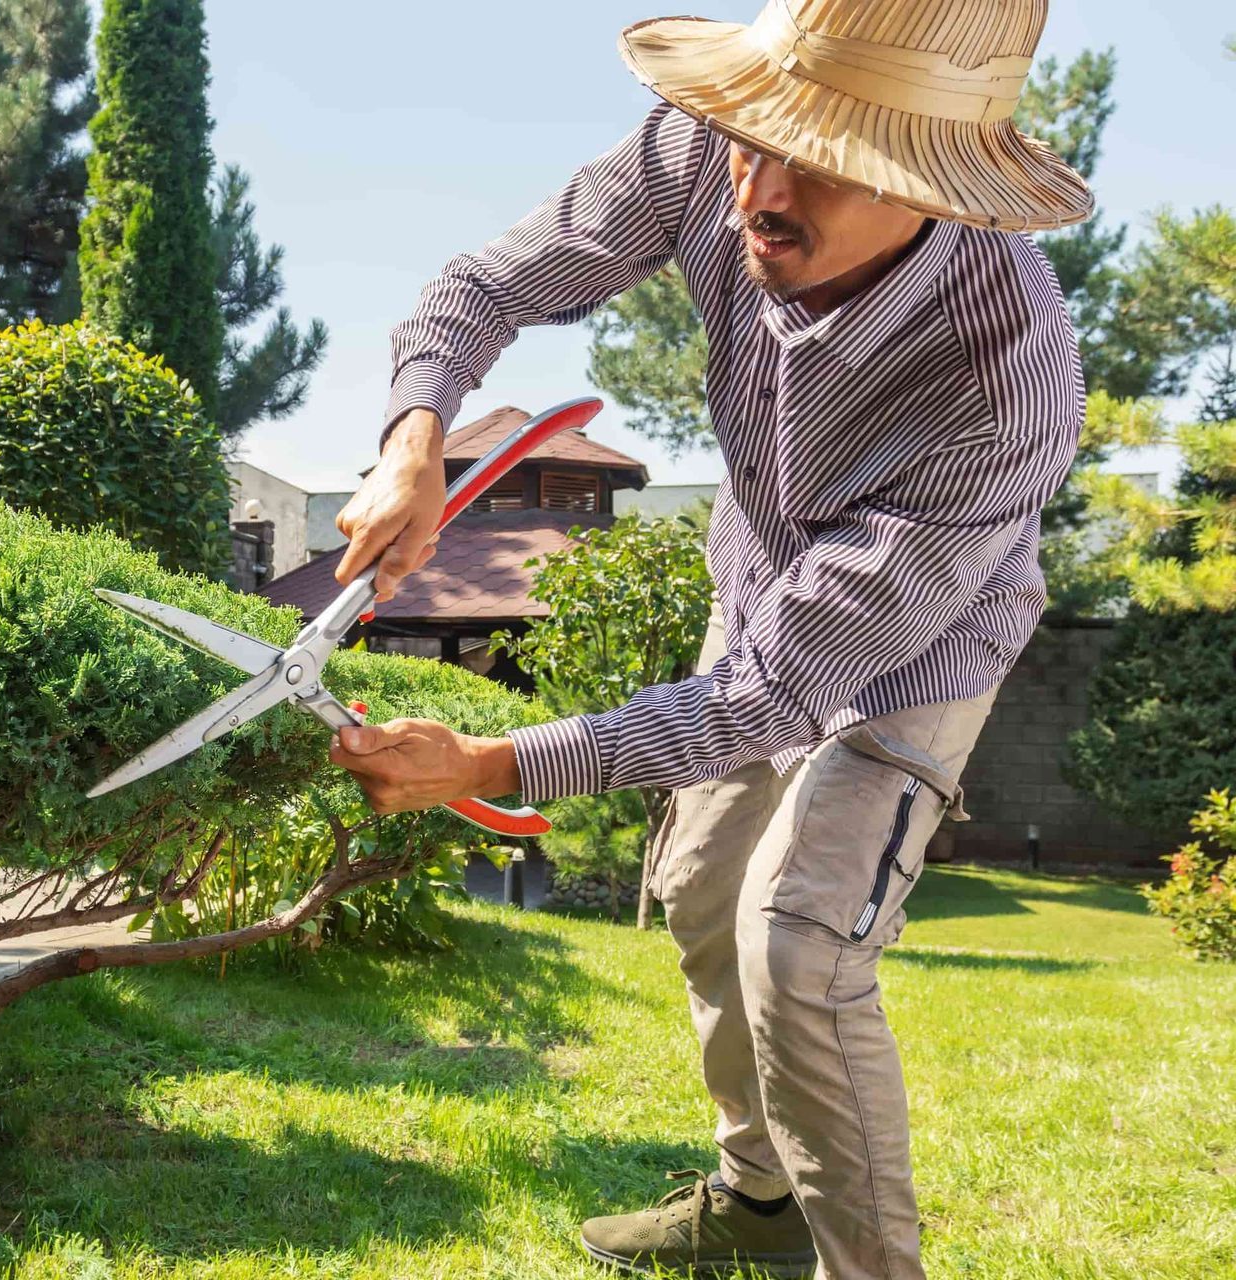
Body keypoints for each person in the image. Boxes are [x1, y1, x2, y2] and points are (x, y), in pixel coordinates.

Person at [326, 2, 1090, 1276]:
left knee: (796, 937)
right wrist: (414, 437)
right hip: (761, 585)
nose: (762, 189)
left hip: (916, 646)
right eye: (755, 136)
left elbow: (779, 691)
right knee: (699, 888)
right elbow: (486, 282)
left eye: (824, 161)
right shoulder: (704, 150)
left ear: (935, 191)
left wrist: (484, 762)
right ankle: (756, 1208)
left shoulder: (1004, 377)